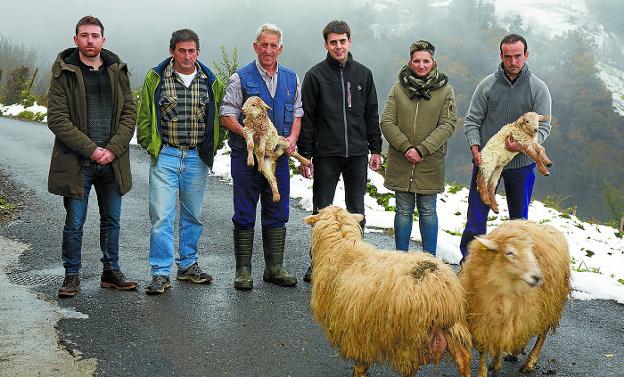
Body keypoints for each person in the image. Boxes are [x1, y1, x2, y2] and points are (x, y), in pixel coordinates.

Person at [47, 16, 138, 298]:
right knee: (75, 222)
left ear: (103, 40)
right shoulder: (65, 72)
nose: (90, 40)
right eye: (84, 35)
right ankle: (71, 275)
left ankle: (111, 271)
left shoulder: (117, 70)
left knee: (112, 221)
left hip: (112, 162)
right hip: (78, 163)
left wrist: (112, 148)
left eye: (95, 35)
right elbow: (57, 119)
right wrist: (92, 150)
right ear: (76, 40)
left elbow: (129, 113)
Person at [136, 29, 224, 294]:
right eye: (182, 50)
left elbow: (218, 118)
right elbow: (144, 118)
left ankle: (188, 265)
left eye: (192, 51)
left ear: (198, 52)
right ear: (172, 51)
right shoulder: (156, 78)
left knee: (193, 215)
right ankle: (160, 272)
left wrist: (212, 147)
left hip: (197, 157)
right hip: (166, 156)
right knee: (161, 216)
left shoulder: (211, 81)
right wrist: (152, 147)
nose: (187, 56)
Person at [298, 20, 382, 282]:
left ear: (349, 41)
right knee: (322, 211)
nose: (338, 46)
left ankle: (356, 261)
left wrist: (376, 149)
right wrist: (305, 154)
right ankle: (319, 263)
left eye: (342, 41)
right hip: (326, 153)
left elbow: (371, 114)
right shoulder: (315, 76)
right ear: (326, 44)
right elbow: (308, 117)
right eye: (333, 42)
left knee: (356, 209)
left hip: (357, 152)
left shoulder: (363, 74)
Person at [220, 24, 302, 290]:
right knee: (244, 212)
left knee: (277, 208)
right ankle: (243, 271)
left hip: (277, 157)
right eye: (263, 45)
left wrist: (291, 140)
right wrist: (246, 133)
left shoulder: (291, 78)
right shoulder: (240, 77)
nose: (268, 50)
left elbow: (298, 113)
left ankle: (274, 268)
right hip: (247, 157)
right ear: (255, 46)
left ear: (280, 48)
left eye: (273, 45)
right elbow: (227, 114)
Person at [459, 34, 552, 261]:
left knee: (519, 220)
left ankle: (518, 267)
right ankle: (470, 263)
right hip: (488, 161)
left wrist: (524, 146)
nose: (513, 62)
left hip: (522, 164)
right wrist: (475, 148)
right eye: (508, 56)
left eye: (518, 56)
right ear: (501, 56)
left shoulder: (538, 89)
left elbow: (544, 127)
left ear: (526, 55)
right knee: (476, 217)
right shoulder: (487, 85)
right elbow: (472, 120)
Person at [380, 40, 457, 255]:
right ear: (410, 62)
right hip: (401, 160)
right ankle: (400, 259)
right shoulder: (398, 88)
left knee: (427, 211)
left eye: (426, 61)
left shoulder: (445, 90)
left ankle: (429, 261)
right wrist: (406, 148)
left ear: (434, 62)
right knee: (403, 210)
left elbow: (448, 124)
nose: (421, 65)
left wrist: (422, 150)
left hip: (429, 162)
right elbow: (386, 122)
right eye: (417, 61)